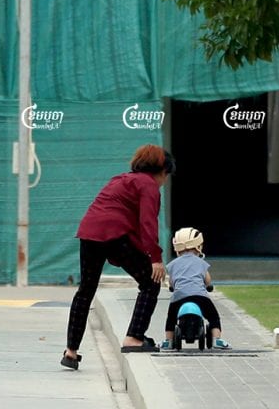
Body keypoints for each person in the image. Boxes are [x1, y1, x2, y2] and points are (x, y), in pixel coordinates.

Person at [61, 144, 175, 370]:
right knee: (151, 282)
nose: (165, 180)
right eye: (166, 175)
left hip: (89, 233)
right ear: (162, 170)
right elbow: (147, 224)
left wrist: (145, 253)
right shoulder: (149, 185)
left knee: (86, 291)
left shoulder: (120, 179)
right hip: (114, 236)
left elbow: (121, 217)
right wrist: (155, 258)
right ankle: (134, 337)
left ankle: (71, 352)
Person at [161, 227, 229, 350]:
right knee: (213, 316)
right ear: (198, 247)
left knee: (171, 318)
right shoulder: (201, 262)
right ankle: (216, 340)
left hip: (179, 297)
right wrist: (208, 286)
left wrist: (172, 287)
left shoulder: (173, 264)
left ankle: (168, 341)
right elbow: (207, 280)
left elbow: (171, 282)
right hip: (200, 296)